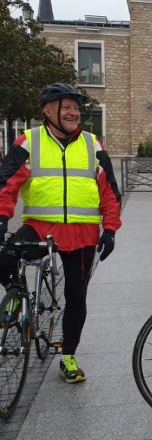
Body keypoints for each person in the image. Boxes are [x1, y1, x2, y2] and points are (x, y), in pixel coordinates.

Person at [0, 83, 122, 383]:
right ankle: (16, 297)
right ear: (48, 110)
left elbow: (110, 192)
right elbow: (6, 183)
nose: (73, 112)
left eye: (76, 107)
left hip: (82, 234)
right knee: (4, 259)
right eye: (66, 106)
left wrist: (110, 229)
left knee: (76, 296)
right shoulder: (29, 142)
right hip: (40, 227)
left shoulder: (93, 144)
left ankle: (68, 356)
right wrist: (2, 218)